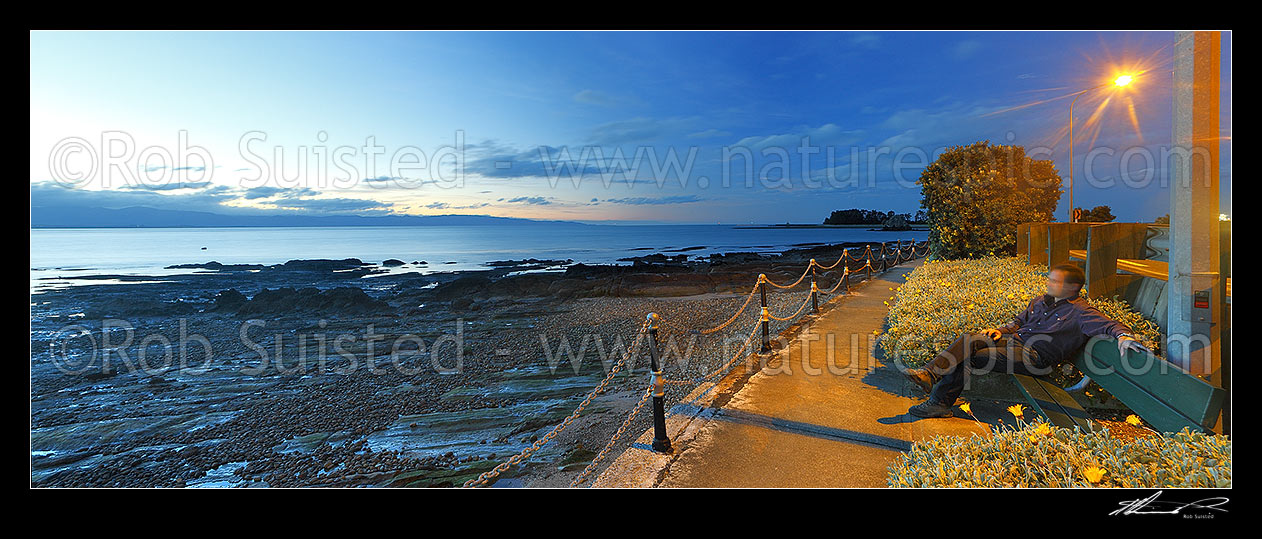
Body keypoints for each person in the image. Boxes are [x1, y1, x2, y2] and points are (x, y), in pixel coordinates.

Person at [902, 263, 1151, 418]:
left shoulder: (1081, 312)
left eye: (1055, 281)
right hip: (1013, 344)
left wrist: (1124, 337)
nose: (1049, 283)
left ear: (1072, 287)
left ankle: (937, 400)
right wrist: (1000, 330)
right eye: (1050, 278)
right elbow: (1018, 323)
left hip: (1036, 358)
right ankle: (931, 380)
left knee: (971, 355)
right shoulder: (1040, 302)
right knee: (970, 340)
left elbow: (1109, 325)